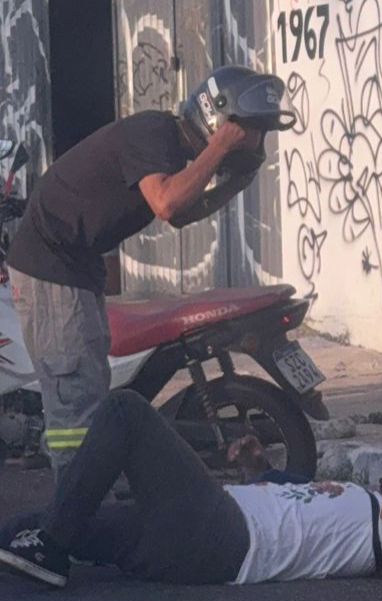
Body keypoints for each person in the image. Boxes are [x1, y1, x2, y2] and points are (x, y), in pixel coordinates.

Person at [7, 65, 295, 479]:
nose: (254, 141)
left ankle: (93, 490)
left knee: (88, 385)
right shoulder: (153, 133)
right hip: (49, 267)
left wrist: (229, 183)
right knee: (74, 399)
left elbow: (182, 214)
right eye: (248, 130)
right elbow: (167, 204)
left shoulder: (173, 152)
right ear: (220, 120)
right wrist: (218, 151)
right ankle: (75, 514)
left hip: (76, 268)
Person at [0, 391, 382, 588]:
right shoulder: (362, 509)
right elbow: (288, 502)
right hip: (193, 543)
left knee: (126, 412)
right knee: (34, 529)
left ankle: (51, 548)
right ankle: (48, 544)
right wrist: (258, 468)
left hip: (220, 535)